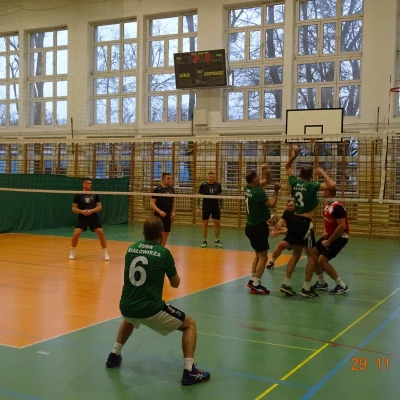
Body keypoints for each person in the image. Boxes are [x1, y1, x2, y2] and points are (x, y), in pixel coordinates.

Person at [105, 216, 211, 386]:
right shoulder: (163, 253)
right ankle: (189, 370)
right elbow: (175, 284)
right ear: (161, 234)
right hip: (150, 309)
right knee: (190, 325)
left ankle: (114, 355)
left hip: (126, 306)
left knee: (130, 318)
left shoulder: (131, 249)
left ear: (143, 232)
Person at [280, 145, 336, 298]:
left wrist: (295, 155)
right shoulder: (312, 185)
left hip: (293, 220)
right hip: (304, 222)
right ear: (311, 176)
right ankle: (306, 288)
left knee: (296, 254)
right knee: (313, 256)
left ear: (300, 174)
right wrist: (322, 172)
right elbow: (332, 185)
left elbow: (287, 166)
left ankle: (286, 284)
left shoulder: (294, 182)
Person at [244, 165, 280, 295]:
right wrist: (276, 191)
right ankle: (256, 285)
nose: (260, 178)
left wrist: (267, 173)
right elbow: (272, 204)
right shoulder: (258, 193)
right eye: (259, 176)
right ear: (254, 179)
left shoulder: (247, 188)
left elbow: (267, 181)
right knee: (263, 257)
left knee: (258, 255)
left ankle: (252, 279)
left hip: (250, 227)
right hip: (258, 228)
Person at [311, 187, 349, 295]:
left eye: (323, 191)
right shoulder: (327, 204)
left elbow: (342, 227)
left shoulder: (337, 207)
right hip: (328, 235)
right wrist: (325, 231)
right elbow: (327, 221)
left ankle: (342, 286)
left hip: (340, 237)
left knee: (322, 261)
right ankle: (322, 283)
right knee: (313, 254)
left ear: (328, 192)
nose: (321, 192)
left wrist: (329, 241)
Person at [69, 178, 110, 261]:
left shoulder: (94, 194)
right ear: (84, 184)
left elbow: (99, 206)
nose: (91, 185)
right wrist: (81, 211)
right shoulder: (78, 195)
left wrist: (91, 211)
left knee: (100, 232)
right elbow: (73, 208)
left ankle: (105, 252)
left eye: (91, 183)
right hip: (82, 217)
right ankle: (72, 251)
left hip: (93, 217)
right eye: (89, 183)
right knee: (76, 233)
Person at [196, 172, 223, 248]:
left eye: (213, 177)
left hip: (215, 207)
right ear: (207, 177)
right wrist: (198, 208)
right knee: (205, 223)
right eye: (210, 177)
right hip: (206, 207)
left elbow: (221, 197)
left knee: (217, 223)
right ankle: (204, 241)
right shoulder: (203, 185)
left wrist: (221, 207)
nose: (212, 178)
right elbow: (198, 197)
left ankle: (217, 240)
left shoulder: (218, 185)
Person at [267, 199, 295, 269]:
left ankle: (315, 264)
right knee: (281, 245)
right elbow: (280, 223)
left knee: (308, 252)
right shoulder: (287, 213)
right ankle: (272, 262)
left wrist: (278, 232)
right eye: (288, 206)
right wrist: (274, 230)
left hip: (302, 236)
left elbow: (293, 230)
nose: (289, 207)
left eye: (291, 206)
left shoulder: (299, 214)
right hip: (291, 236)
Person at [150, 173, 176, 246]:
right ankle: (156, 247)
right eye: (168, 178)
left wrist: (173, 212)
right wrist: (160, 212)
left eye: (170, 178)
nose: (170, 180)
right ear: (163, 179)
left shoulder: (171, 189)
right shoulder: (157, 190)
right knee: (157, 233)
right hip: (158, 216)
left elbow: (173, 202)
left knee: (166, 232)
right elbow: (152, 204)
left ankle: (162, 247)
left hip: (167, 216)